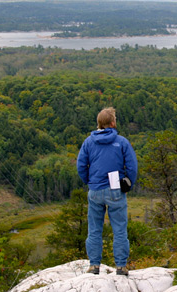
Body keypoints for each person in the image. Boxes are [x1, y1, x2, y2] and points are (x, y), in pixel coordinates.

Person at [77, 107, 138, 276]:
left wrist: (89, 182)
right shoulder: (121, 141)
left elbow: (81, 166)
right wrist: (128, 183)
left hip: (95, 190)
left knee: (94, 229)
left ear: (99, 123)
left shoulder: (89, 142)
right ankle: (120, 266)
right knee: (119, 229)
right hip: (115, 190)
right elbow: (132, 166)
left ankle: (94, 265)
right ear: (112, 123)